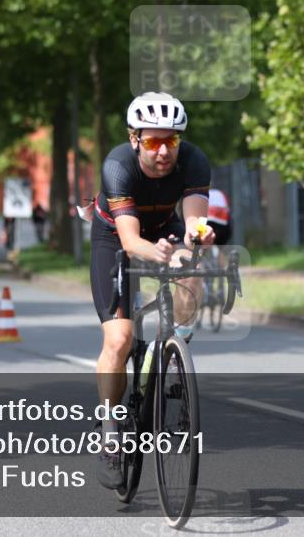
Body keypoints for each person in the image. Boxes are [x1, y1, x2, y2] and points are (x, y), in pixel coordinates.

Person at [89, 92, 215, 489]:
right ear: (134, 140)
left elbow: (194, 222)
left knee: (191, 266)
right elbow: (130, 241)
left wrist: (197, 238)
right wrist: (157, 254)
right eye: (153, 142)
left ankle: (176, 344)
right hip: (115, 237)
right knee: (120, 338)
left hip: (164, 227)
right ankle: (110, 426)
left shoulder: (194, 161)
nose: (163, 151)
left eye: (171, 141)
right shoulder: (118, 168)